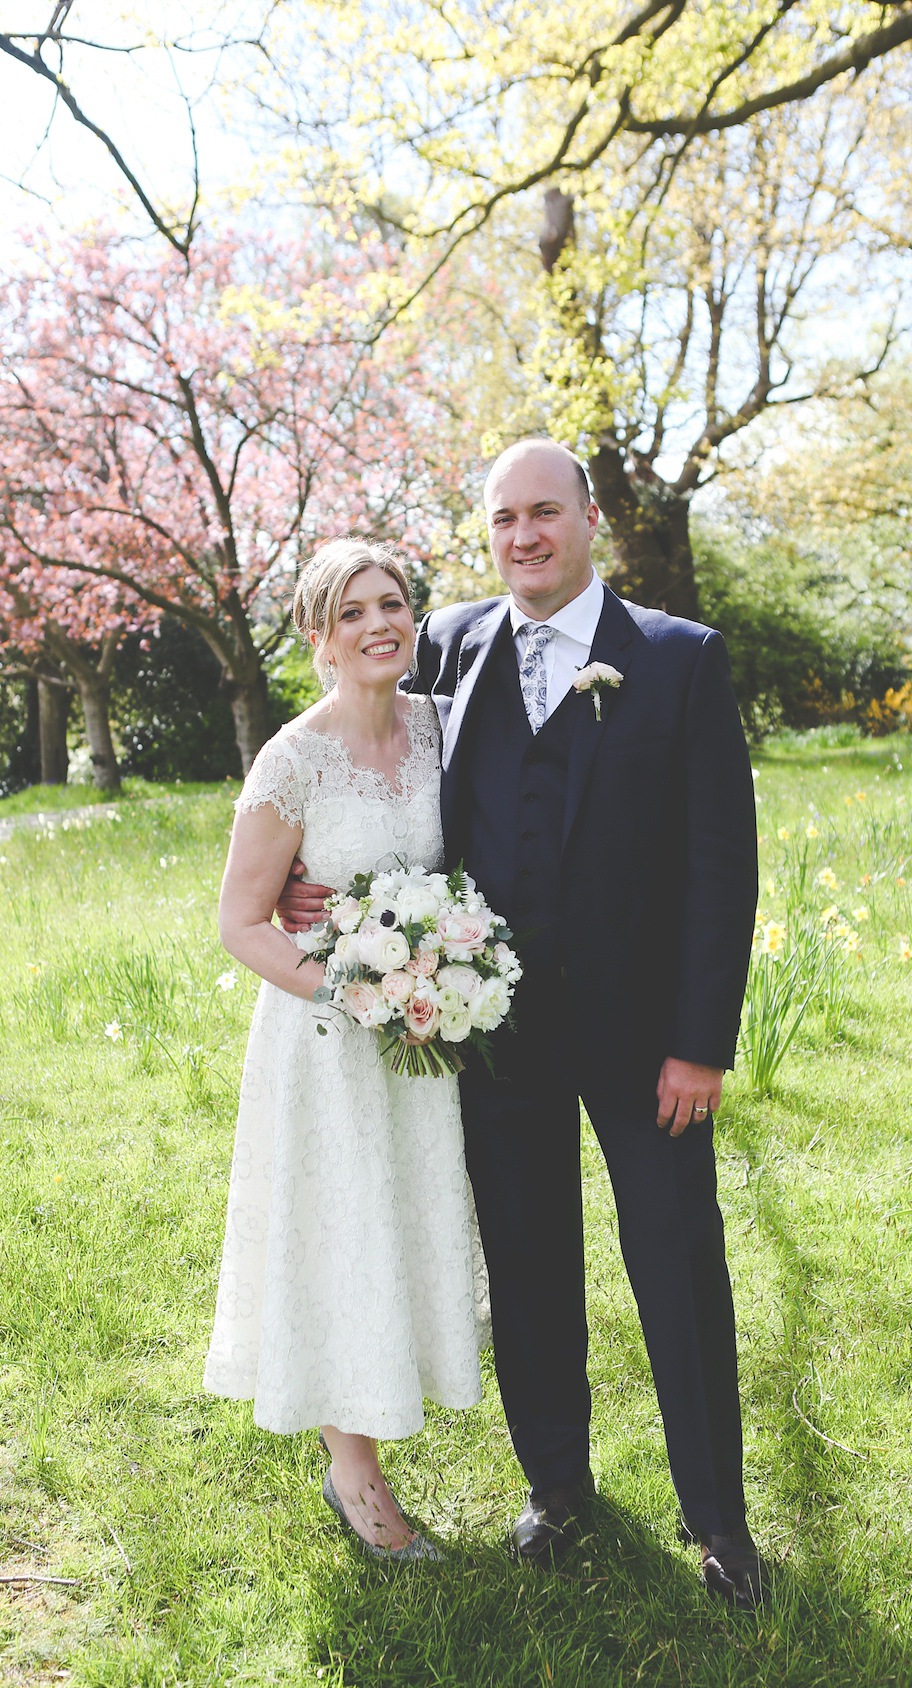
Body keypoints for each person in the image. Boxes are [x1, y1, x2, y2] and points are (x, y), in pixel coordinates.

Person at [279, 439, 766, 1608]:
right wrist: (319, 893)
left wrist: (702, 1040)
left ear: (591, 521)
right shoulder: (447, 644)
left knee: (676, 1263)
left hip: (650, 1041)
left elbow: (721, 866)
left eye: (546, 513)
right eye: (504, 520)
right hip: (491, 1033)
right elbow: (354, 758)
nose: (525, 538)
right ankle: (558, 1488)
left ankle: (720, 1523)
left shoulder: (679, 661)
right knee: (531, 1263)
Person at [204, 537, 483, 1561]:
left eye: (394, 604)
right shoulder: (293, 759)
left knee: (398, 1225)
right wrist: (355, 989)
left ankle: (384, 1409)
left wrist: (435, 977)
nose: (379, 625)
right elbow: (242, 923)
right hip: (328, 1039)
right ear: (321, 640)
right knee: (336, 1234)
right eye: (353, 612)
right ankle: (354, 1473)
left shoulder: (444, 731)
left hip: (426, 1040)